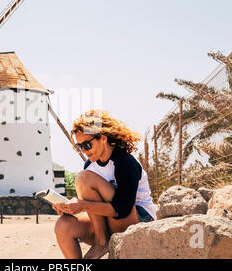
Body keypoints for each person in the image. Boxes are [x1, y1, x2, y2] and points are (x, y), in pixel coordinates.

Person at [53, 109, 158, 259]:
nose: (83, 151)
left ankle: (101, 242)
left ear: (102, 138)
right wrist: (68, 208)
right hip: (109, 221)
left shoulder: (124, 162)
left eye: (87, 145)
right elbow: (93, 205)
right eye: (79, 147)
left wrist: (82, 205)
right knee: (63, 225)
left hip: (139, 218)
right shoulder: (90, 165)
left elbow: (122, 209)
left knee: (83, 179)